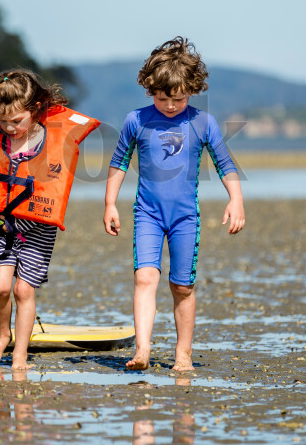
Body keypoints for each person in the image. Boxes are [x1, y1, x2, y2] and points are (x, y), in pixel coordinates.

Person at [103, 37, 245, 372]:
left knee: (182, 286)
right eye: (162, 97)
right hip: (147, 214)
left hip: (185, 218)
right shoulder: (135, 120)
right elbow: (119, 163)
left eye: (178, 98)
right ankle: (142, 350)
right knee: (145, 279)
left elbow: (226, 165)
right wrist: (110, 203)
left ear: (192, 90)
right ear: (150, 89)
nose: (169, 105)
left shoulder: (202, 122)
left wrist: (235, 200)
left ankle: (182, 354)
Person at [0, 69, 99, 370]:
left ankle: (20, 353)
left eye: (17, 121)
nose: (9, 127)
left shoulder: (50, 137)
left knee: (24, 289)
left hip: (38, 227)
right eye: (3, 120)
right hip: (1, 223)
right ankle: (3, 334)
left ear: (35, 111)